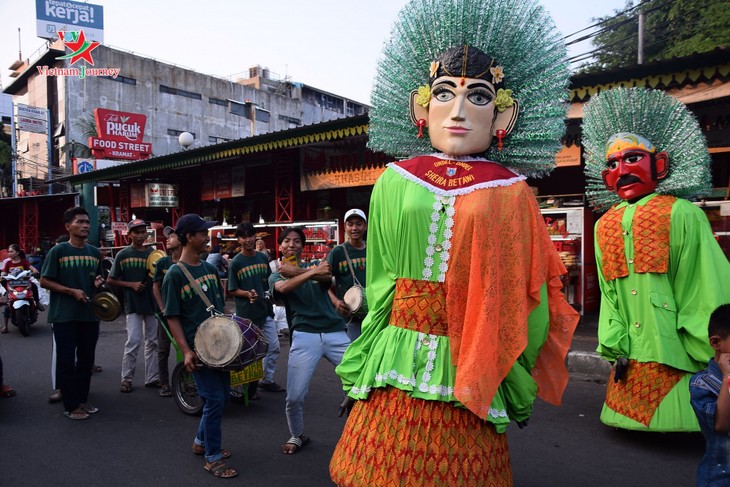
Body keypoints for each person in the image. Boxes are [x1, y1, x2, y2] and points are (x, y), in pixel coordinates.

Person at [329, 1, 579, 484]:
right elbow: (381, 275)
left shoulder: (512, 190)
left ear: (504, 119)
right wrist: (373, 342)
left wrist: (515, 360)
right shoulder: (394, 180)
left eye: (480, 98)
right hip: (399, 342)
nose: (460, 111)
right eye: (445, 94)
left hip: (475, 347)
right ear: (421, 108)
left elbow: (525, 286)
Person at [582, 87, 730, 432]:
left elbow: (703, 281)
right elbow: (609, 293)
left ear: (659, 164)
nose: (621, 170)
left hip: (677, 347)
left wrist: (709, 343)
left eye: (632, 159)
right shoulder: (604, 224)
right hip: (630, 350)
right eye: (613, 164)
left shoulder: (682, 213)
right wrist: (613, 339)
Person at [162, 213, 238, 479]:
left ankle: (200, 441)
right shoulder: (174, 274)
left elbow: (220, 307)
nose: (207, 237)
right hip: (199, 349)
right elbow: (172, 316)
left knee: (223, 396)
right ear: (188, 238)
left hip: (221, 347)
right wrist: (185, 351)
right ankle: (212, 456)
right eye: (201, 233)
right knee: (215, 399)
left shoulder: (209, 269)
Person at [269, 227, 351, 454]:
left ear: (302, 247)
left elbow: (327, 275)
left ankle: (357, 434)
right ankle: (297, 435)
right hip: (305, 334)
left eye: (297, 241)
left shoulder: (312, 267)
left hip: (335, 331)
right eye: (287, 241)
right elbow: (283, 287)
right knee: (295, 396)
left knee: (358, 382)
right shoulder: (276, 274)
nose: (292, 244)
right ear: (281, 246)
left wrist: (297, 271)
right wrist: (306, 273)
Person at [40, 206, 105, 420]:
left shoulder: (95, 252)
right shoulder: (58, 251)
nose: (85, 225)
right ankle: (71, 405)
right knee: (67, 361)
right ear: (68, 226)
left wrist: (98, 282)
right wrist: (71, 291)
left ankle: (82, 400)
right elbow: (44, 280)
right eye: (80, 222)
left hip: (89, 314)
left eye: (87, 222)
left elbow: (99, 279)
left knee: (86, 361)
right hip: (64, 316)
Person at [228, 223, 284, 394]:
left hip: (265, 311)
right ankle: (246, 387)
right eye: (244, 237)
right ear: (239, 240)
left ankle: (266, 380)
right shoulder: (236, 263)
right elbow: (231, 289)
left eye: (251, 236)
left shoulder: (262, 258)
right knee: (249, 352)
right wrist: (246, 294)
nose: (248, 240)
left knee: (273, 347)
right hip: (247, 315)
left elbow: (269, 280)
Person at [107, 219, 160, 393]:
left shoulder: (154, 254)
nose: (140, 235)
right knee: (134, 341)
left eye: (143, 231)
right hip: (133, 305)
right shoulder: (123, 255)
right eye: (136, 232)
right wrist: (131, 285)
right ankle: (126, 378)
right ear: (129, 234)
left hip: (152, 304)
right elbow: (111, 279)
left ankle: (152, 378)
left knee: (152, 341)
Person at [690, 304, 730, 486]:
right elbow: (722, 425)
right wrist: (728, 376)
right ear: (716, 343)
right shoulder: (703, 383)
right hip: (720, 478)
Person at [327, 209, 368, 341]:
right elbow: (322, 282)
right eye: (350, 224)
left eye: (359, 224)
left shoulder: (373, 249)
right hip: (349, 317)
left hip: (372, 315)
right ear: (345, 227)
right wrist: (336, 302)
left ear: (366, 226)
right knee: (351, 355)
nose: (354, 228)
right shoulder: (338, 252)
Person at [152, 226, 181, 398]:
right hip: (165, 315)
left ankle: (186, 380)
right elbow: (155, 287)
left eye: (172, 236)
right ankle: (164, 382)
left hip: (183, 314)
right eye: (167, 237)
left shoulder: (187, 262)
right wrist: (163, 308)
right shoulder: (163, 262)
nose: (168, 239)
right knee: (163, 349)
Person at [2, 243, 44, 317]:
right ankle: (5, 326)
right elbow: (4, 273)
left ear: (18, 252)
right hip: (12, 284)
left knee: (34, 286)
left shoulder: (24, 261)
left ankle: (37, 303)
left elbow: (32, 268)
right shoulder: (8, 263)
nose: (10, 253)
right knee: (8, 301)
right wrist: (3, 275)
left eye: (12, 252)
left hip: (24, 282)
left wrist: (35, 271)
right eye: (9, 252)